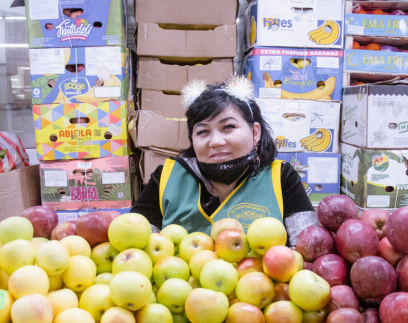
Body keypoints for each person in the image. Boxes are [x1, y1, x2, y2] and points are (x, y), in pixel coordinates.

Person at [130, 76, 319, 246]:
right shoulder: (167, 177)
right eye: (203, 131)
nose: (216, 141)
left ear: (255, 133)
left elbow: (309, 249)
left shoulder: (281, 177)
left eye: (228, 127)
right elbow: (133, 242)